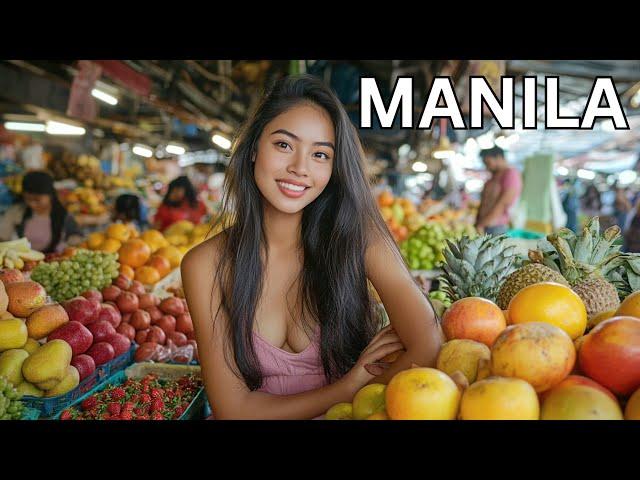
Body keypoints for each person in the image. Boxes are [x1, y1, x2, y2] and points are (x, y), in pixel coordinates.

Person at [180, 75, 443, 420]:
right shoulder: (205, 264)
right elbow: (235, 410)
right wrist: (346, 390)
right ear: (254, 148)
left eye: (320, 154)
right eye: (284, 145)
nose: (300, 168)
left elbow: (428, 345)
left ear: (334, 168)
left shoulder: (359, 238)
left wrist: (357, 402)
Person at [0, 171, 82, 253]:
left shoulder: (63, 215)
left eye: (37, 200)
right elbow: (3, 234)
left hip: (54, 259)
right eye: (28, 199)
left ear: (50, 195)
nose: (32, 204)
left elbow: (76, 237)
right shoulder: (17, 211)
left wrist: (68, 245)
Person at [475, 146, 523, 235]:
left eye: (488, 163)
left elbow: (503, 203)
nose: (487, 167)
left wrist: (481, 224)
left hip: (495, 228)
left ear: (499, 158)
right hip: (485, 226)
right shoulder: (494, 177)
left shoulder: (510, 174)